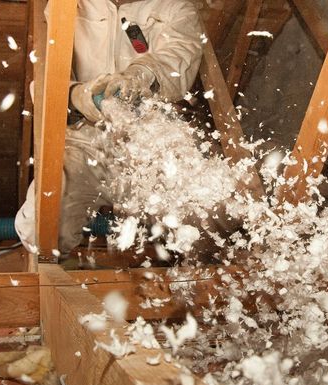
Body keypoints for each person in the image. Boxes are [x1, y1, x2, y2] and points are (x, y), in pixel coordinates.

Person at [15, 0, 203, 255]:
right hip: (84, 142)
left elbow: (177, 58)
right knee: (40, 231)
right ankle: (56, 279)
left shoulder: (175, 7)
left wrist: (139, 76)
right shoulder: (68, 5)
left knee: (206, 224)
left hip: (150, 144)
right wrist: (79, 96)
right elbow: (45, 77)